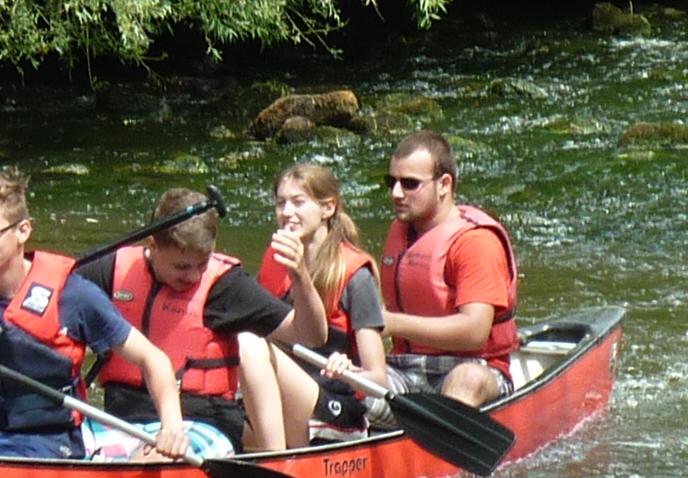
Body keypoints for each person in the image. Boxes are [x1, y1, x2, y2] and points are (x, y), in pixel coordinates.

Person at [0, 169, 189, 459]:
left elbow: (154, 359)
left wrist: (171, 428)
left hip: (48, 443)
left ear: (22, 230)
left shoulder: (74, 295)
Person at [73, 188, 330, 456]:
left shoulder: (225, 287)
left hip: (200, 422)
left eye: (202, 264)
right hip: (122, 421)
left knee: (146, 461)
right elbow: (49, 291)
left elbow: (311, 335)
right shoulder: (111, 271)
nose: (194, 276)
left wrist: (300, 276)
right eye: (182, 267)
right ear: (153, 246)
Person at [249, 162, 390, 445]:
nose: (286, 212)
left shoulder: (356, 277)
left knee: (253, 347)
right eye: (280, 203)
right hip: (286, 397)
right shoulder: (274, 260)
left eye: (298, 202)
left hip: (336, 403)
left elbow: (379, 380)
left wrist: (348, 371)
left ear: (328, 209)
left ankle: (276, 462)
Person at [379, 130, 521, 407]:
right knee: (343, 377)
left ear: (444, 185)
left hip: (476, 368)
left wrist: (393, 323)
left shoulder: (475, 242)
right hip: (403, 369)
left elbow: (474, 331)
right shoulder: (401, 232)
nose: (396, 193)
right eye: (391, 181)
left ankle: (442, 445)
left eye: (409, 183)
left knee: (468, 379)